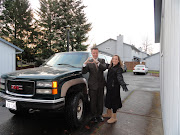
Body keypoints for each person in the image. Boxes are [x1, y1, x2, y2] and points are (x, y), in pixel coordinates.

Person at [82, 48, 106, 122]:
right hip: (92, 85)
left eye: (96, 53)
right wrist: (85, 63)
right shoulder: (89, 62)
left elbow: (104, 68)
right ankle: (93, 116)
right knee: (93, 101)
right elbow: (84, 72)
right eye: (93, 53)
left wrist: (98, 63)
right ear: (91, 53)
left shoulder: (102, 60)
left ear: (98, 53)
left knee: (100, 101)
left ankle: (99, 115)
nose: (95, 54)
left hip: (101, 84)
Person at [103, 55, 128, 124]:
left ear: (118, 60)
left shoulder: (118, 68)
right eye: (113, 59)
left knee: (114, 102)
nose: (114, 60)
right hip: (109, 87)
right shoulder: (111, 66)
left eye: (116, 59)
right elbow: (105, 65)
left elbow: (120, 77)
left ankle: (114, 117)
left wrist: (123, 84)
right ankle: (108, 114)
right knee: (108, 100)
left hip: (115, 88)